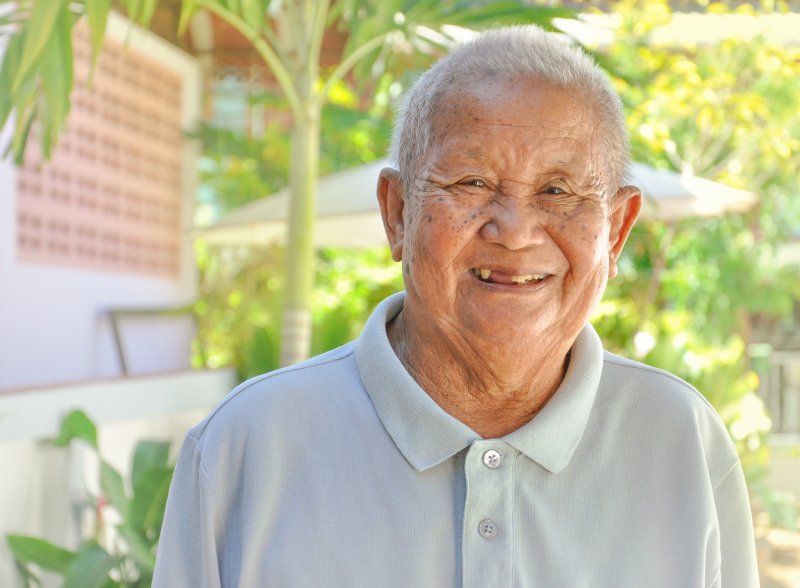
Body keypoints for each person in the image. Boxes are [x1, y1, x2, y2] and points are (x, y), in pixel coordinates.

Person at [154, 25, 758, 587]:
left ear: (617, 232)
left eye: (557, 190)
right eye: (472, 182)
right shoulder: (246, 447)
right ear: (396, 214)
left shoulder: (682, 443)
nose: (516, 231)